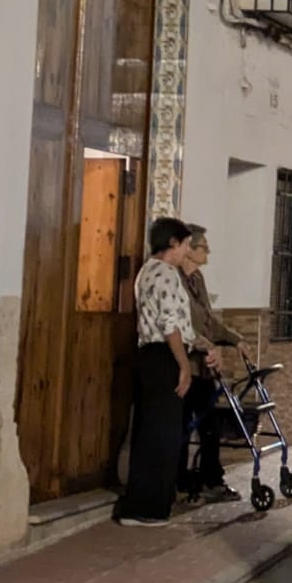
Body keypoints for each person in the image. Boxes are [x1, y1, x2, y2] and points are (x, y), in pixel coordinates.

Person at [115, 219, 206, 528]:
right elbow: (171, 324)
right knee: (163, 434)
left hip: (150, 357)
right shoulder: (165, 274)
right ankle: (150, 508)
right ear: (172, 243)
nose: (186, 252)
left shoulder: (146, 271)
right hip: (163, 357)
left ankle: (138, 504)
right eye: (185, 245)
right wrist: (183, 364)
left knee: (149, 430)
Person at [177, 224, 240, 504]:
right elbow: (184, 324)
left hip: (202, 368)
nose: (208, 253)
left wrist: (233, 339)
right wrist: (208, 346)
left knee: (209, 424)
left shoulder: (196, 279)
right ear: (188, 249)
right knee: (182, 425)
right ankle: (181, 481)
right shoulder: (174, 280)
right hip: (184, 366)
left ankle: (211, 479)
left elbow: (207, 320)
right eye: (203, 247)